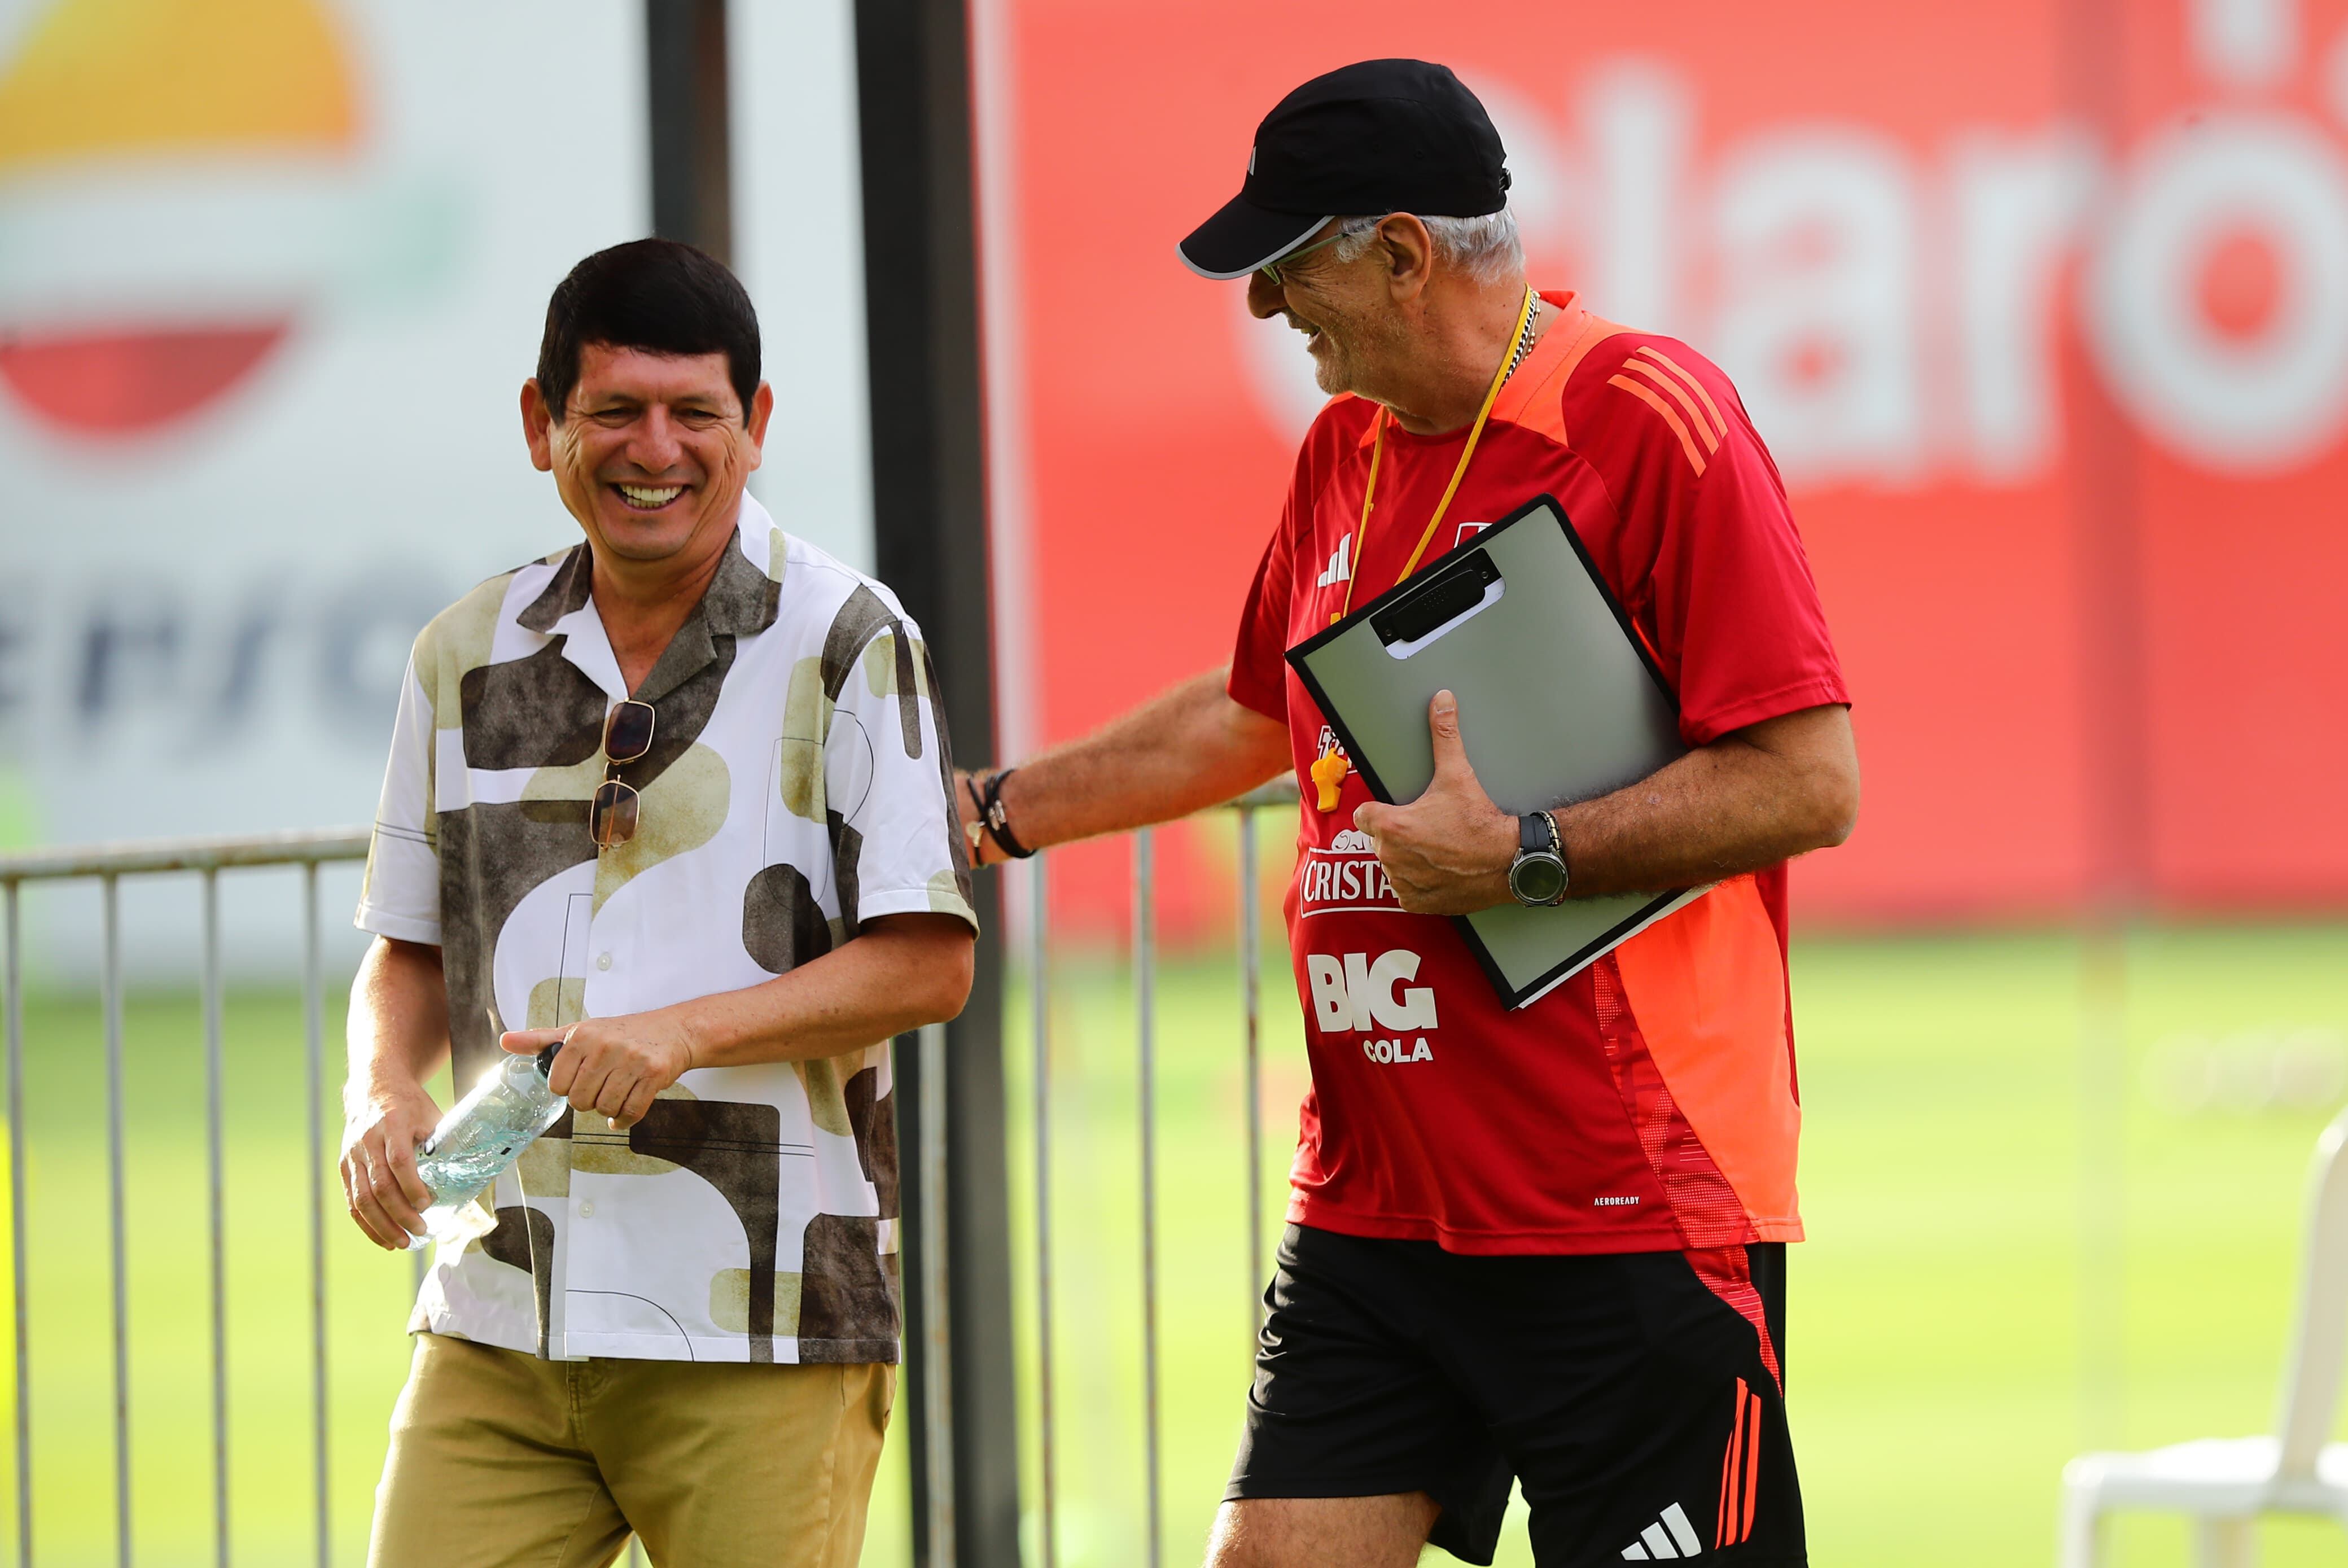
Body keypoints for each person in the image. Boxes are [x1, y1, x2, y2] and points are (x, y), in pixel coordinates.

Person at [958, 60, 1858, 1568]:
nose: (1264, 310)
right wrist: (993, 814)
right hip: (1377, 1211)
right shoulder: (1344, 449)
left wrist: (1520, 856)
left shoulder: (1649, 419)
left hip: (1622, 1208)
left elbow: (1809, 779)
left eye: (1286, 266)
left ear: (1400, 251)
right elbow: (1254, 711)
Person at [341, 238, 977, 1568]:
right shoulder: (461, 653)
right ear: (542, 426)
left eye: (695, 413)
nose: (657, 449)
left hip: (763, 1320)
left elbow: (927, 964)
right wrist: (383, 1095)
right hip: (500, 1309)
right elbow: (403, 948)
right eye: (614, 409)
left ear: (755, 428)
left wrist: (681, 1032)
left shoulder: (852, 638)